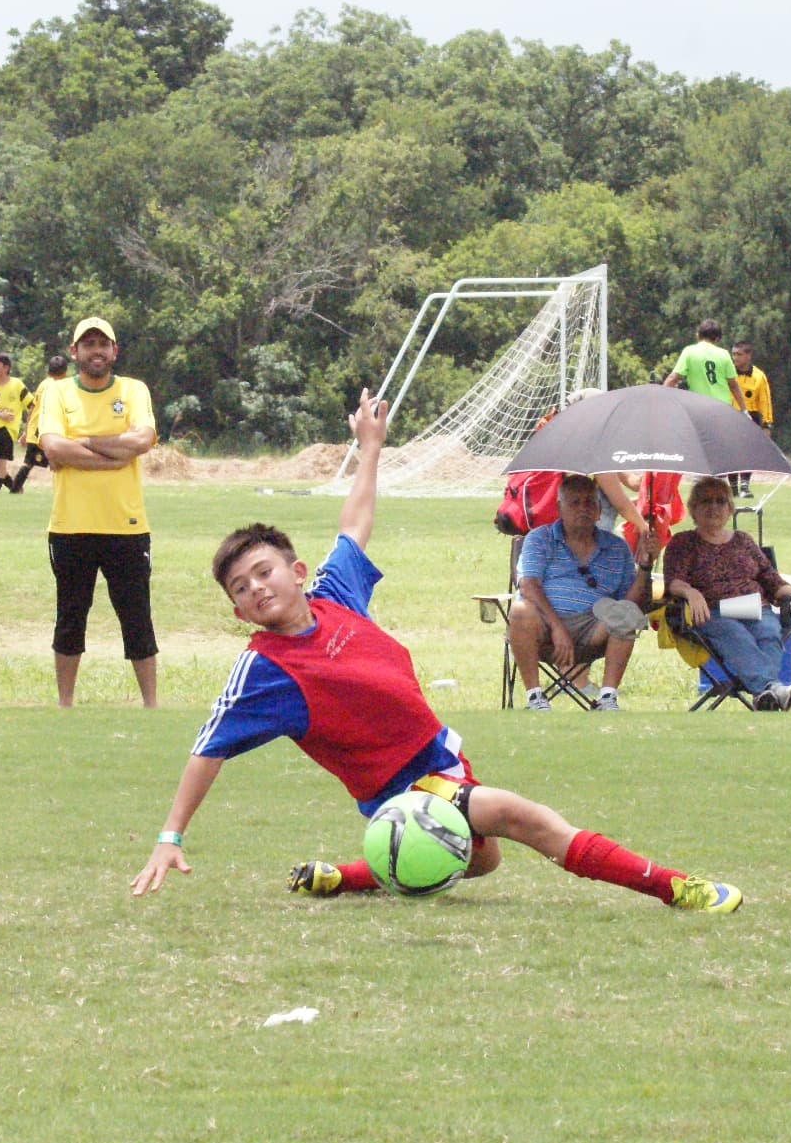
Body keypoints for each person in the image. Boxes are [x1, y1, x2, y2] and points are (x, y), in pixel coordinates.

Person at [131, 392, 742, 915]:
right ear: (238, 612)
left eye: (263, 572)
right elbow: (207, 748)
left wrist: (370, 446)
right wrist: (169, 835)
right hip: (408, 791)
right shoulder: (264, 670)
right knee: (529, 820)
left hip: (442, 759)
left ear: (296, 571)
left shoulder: (335, 592)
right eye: (241, 588)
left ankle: (346, 875)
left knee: (482, 864)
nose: (256, 588)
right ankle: (674, 888)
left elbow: (355, 523)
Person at [35, 317, 158, 708]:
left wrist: (83, 442)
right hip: (71, 526)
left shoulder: (133, 390)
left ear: (114, 351)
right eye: (87, 344)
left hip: (126, 525)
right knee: (70, 618)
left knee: (136, 618)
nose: (96, 351)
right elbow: (53, 447)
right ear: (74, 352)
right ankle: (66, 704)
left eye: (103, 344)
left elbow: (142, 440)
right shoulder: (56, 393)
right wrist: (111, 455)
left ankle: (152, 706)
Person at [662, 477, 791, 710]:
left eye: (720, 501)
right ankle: (771, 689)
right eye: (705, 501)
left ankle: (766, 694)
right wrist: (691, 592)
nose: (713, 507)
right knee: (735, 634)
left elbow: (773, 582)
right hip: (711, 612)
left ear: (730, 509)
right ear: (693, 509)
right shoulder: (683, 543)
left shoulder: (743, 541)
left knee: (769, 631)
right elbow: (673, 581)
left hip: (754, 608)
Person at [509, 474, 656, 712]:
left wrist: (646, 566)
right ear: (560, 509)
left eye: (589, 503)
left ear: (599, 511)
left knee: (626, 612)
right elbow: (528, 586)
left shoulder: (617, 547)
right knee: (520, 609)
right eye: (574, 503)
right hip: (545, 627)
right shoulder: (540, 538)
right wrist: (557, 628)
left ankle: (607, 698)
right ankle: (535, 698)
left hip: (593, 630)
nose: (583, 510)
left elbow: (631, 601)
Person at [10, 355, 67, 493]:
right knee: (60, 462)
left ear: (48, 371)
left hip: (35, 429)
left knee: (28, 462)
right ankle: (63, 490)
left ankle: (15, 489)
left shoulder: (43, 384)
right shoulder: (62, 387)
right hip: (48, 431)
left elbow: (32, 409)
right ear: (65, 372)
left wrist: (26, 431)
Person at [0, 353, 34, 494]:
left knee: (0, 464)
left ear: (6, 368)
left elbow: (32, 405)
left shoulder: (16, 384)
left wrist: (27, 430)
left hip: (8, 429)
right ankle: (16, 489)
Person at [663, 319, 746, 411]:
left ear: (698, 335)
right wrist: (744, 410)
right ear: (717, 339)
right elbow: (733, 386)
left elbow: (673, 379)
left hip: (699, 407)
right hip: (723, 407)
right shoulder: (724, 354)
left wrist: (660, 398)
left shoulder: (689, 351)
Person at [729, 339, 774, 498]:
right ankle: (733, 487)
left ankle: (745, 487)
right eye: (733, 354)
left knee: (747, 454)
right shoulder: (728, 373)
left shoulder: (759, 376)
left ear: (749, 355)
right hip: (729, 415)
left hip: (750, 417)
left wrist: (767, 424)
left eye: (739, 354)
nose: (735, 358)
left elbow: (765, 401)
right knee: (730, 453)